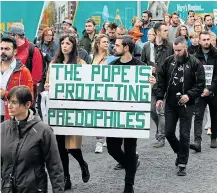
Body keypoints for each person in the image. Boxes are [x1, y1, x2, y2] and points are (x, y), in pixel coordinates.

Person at [107, 35, 156, 193]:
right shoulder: (112, 66)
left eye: (118, 45)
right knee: (112, 148)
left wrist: (151, 84)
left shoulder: (140, 67)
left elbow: (146, 91)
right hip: (115, 114)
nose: (114, 47)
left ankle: (129, 184)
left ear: (126, 47)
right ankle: (132, 163)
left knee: (130, 148)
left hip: (132, 115)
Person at [45, 34, 90, 190]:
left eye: (68, 43)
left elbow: (88, 85)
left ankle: (82, 163)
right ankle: (66, 177)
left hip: (74, 110)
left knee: (72, 147)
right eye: (62, 43)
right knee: (60, 147)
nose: (65, 46)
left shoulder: (81, 63)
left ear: (73, 46)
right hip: (58, 109)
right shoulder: (54, 64)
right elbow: (47, 83)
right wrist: (48, 87)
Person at [156, 36, 205, 176]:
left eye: (179, 50)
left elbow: (200, 84)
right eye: (175, 50)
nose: (176, 53)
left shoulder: (195, 63)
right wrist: (160, 97)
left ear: (185, 48)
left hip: (186, 105)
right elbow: (161, 80)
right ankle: (179, 151)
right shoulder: (169, 61)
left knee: (184, 135)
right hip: (171, 103)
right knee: (169, 132)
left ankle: (182, 163)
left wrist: (189, 95)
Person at [1, 86, 64, 193]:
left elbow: (55, 167)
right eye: (8, 102)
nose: (9, 106)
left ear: (28, 104)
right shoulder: (2, 128)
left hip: (33, 189)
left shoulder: (43, 131)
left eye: (14, 102)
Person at [141, 22, 173, 148]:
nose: (167, 32)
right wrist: (148, 69)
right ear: (157, 32)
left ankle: (161, 136)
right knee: (152, 110)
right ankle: (161, 129)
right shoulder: (147, 47)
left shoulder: (169, 46)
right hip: (152, 83)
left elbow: (173, 63)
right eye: (165, 30)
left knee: (161, 111)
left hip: (165, 83)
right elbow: (142, 63)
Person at [191, 31, 217, 151]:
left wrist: (210, 89)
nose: (206, 42)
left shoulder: (216, 54)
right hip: (200, 91)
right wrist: (201, 89)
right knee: (198, 116)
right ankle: (197, 141)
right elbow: (193, 75)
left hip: (214, 91)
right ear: (200, 41)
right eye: (204, 40)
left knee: (214, 114)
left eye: (208, 39)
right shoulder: (195, 57)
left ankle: (214, 137)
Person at [0, 36, 34, 122]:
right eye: (1, 48)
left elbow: (29, 98)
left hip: (12, 118)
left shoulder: (23, 72)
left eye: (7, 49)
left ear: (15, 51)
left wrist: (5, 95)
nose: (3, 51)